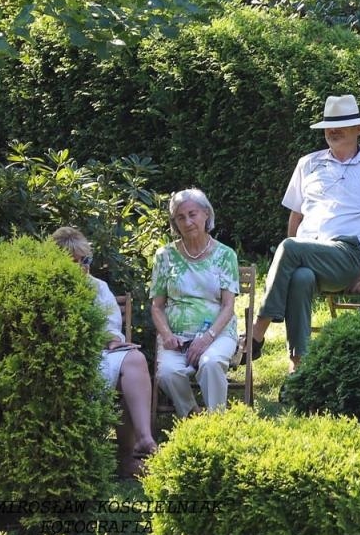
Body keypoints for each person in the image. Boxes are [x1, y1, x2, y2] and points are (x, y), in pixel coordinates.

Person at [248, 95, 360, 371]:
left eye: (341, 125)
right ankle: (298, 366)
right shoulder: (308, 164)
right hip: (310, 252)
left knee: (290, 248)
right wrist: (292, 257)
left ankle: (257, 331)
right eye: (329, 125)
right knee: (301, 277)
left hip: (346, 256)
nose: (332, 130)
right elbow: (296, 216)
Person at [50, 226, 157, 475]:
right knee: (116, 368)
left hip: (102, 351)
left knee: (135, 359)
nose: (80, 267)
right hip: (70, 356)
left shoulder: (98, 287)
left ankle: (140, 443)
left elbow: (111, 323)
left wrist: (110, 339)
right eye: (72, 261)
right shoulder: (48, 288)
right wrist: (99, 338)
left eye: (84, 260)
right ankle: (91, 459)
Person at [149, 189, 241, 417]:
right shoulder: (164, 256)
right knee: (168, 373)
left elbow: (229, 306)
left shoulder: (225, 255)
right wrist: (167, 335)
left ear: (206, 215)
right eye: (181, 217)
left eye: (193, 214)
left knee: (210, 363)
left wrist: (207, 337)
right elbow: (157, 306)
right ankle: (192, 416)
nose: (188, 222)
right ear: (174, 223)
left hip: (217, 333)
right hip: (177, 338)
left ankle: (216, 422)